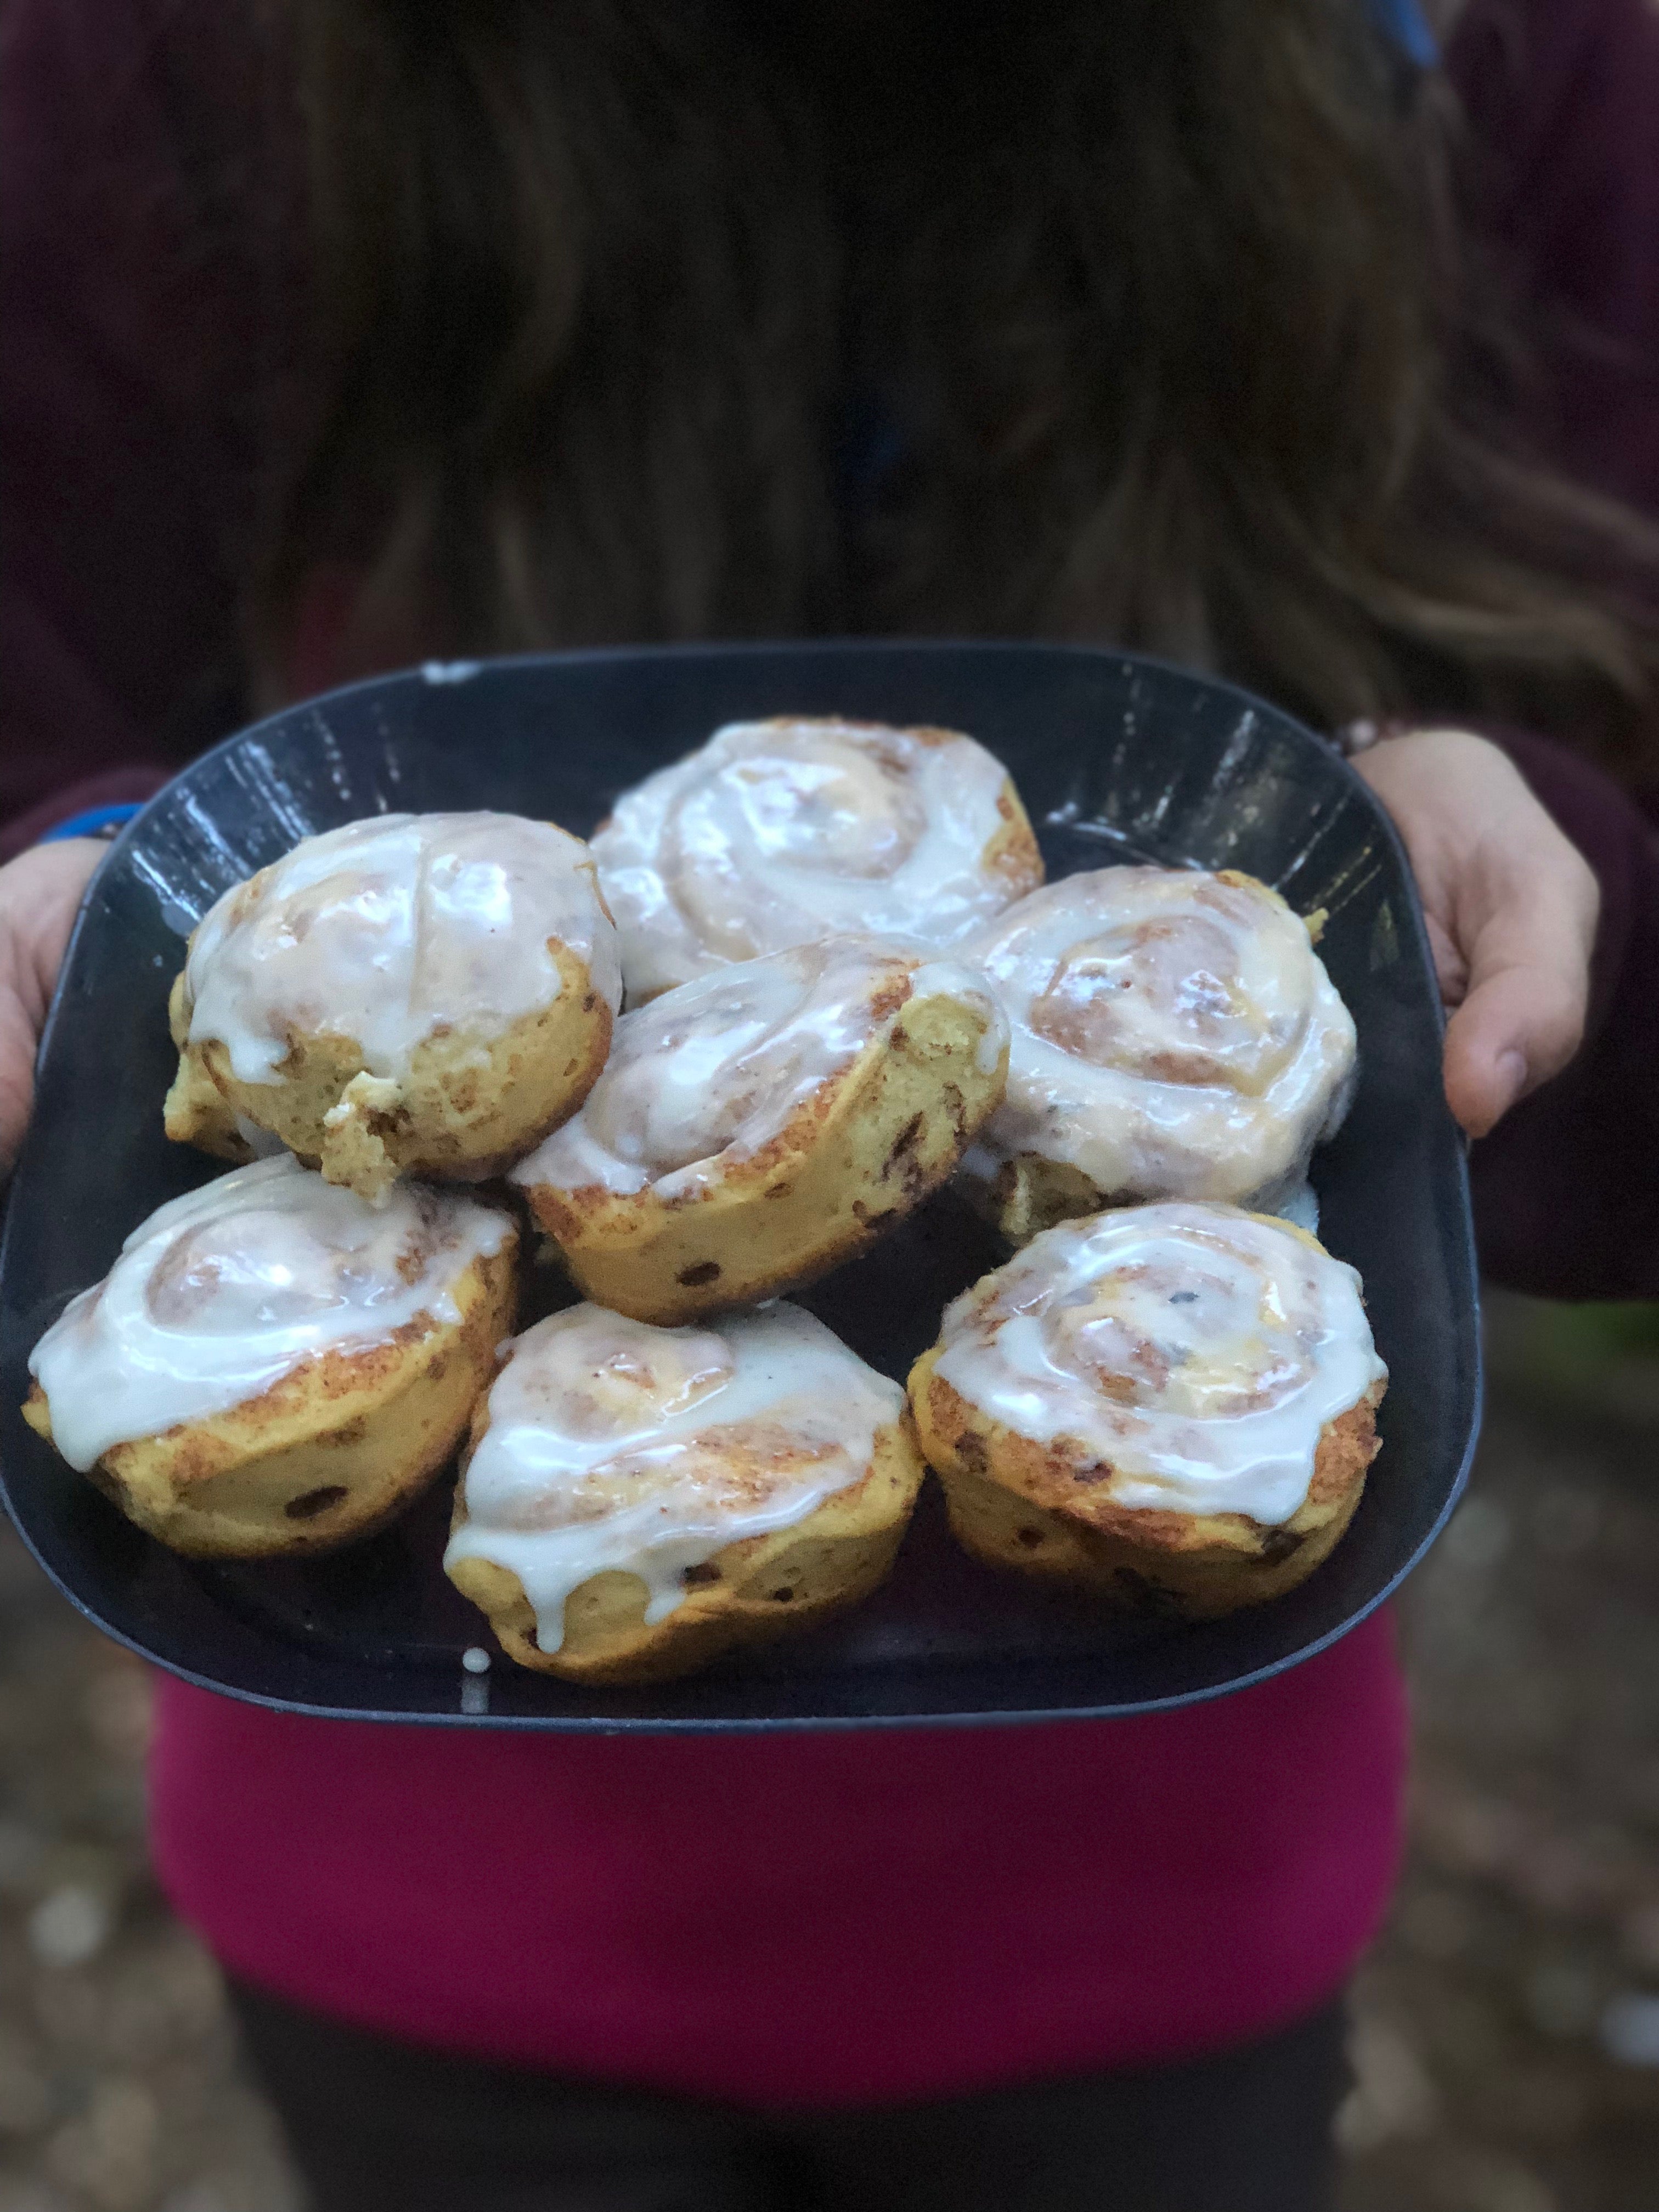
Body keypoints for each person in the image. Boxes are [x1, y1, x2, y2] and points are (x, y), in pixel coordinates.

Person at [2, 1, 1657, 2205]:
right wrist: (102, 901)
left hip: (1146, 1901)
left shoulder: (1509, 52)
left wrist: (1506, 840)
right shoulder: (157, 72)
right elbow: (59, 712)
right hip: (420, 1898)